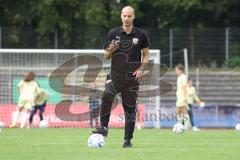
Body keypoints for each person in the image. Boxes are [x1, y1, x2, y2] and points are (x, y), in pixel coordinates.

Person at [92, 6, 150, 148]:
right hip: (115, 75)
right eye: (124, 16)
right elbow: (105, 56)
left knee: (129, 109)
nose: (126, 18)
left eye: (129, 16)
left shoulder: (141, 35)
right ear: (121, 16)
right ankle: (104, 128)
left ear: (133, 17)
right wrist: (111, 49)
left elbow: (146, 55)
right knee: (106, 95)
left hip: (132, 78)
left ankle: (127, 140)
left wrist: (141, 69)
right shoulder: (113, 33)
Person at [175, 64, 191, 129]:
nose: (176, 72)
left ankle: (183, 124)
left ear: (180, 70)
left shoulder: (183, 77)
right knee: (182, 111)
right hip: (180, 97)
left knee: (180, 111)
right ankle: (184, 124)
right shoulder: (179, 77)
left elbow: (184, 88)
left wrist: (185, 97)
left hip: (182, 97)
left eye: (176, 70)